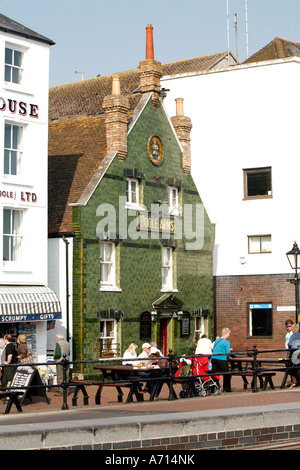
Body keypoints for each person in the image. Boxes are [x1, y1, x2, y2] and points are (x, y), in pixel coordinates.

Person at [211, 328, 232, 392]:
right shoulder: (226, 342)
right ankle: (226, 388)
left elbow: (213, 349)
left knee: (215, 373)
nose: (229, 335)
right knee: (227, 374)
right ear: (225, 334)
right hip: (221, 359)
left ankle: (215, 387)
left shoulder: (217, 341)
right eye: (229, 334)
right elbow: (228, 353)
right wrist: (229, 356)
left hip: (213, 358)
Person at [288, 323, 300, 388]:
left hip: (295, 356)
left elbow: (289, 345)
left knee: (289, 366)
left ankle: (294, 381)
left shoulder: (293, 336)